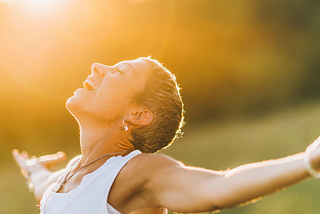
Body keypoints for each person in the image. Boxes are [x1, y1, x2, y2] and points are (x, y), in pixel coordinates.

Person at [12, 57, 320, 214]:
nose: (97, 66)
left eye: (118, 73)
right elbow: (44, 188)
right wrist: (33, 169)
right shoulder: (72, 174)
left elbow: (217, 187)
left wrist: (309, 161)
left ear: (137, 115)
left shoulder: (134, 172)